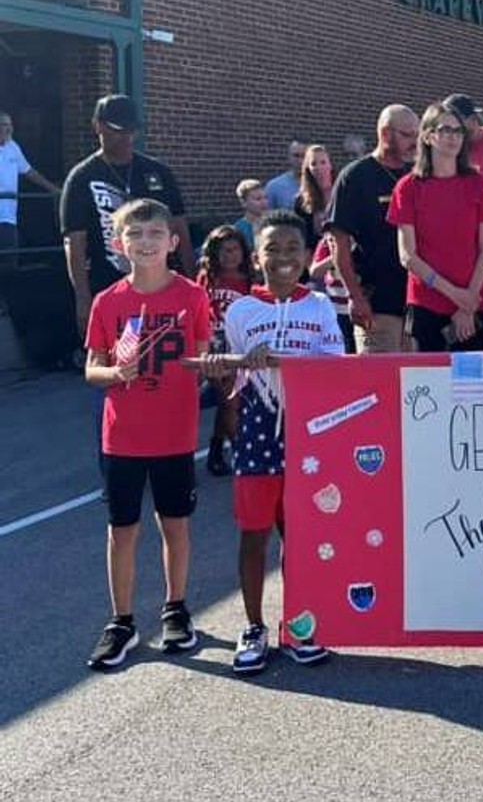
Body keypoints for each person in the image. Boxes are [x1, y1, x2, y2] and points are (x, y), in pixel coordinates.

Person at [83, 198, 212, 670]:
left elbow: (201, 363)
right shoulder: (108, 302)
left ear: (173, 242)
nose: (145, 242)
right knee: (122, 530)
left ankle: (176, 608)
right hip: (122, 438)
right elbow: (92, 370)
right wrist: (117, 373)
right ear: (119, 244)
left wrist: (213, 368)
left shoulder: (191, 297)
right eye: (135, 235)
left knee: (174, 525)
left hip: (174, 435)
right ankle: (122, 621)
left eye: (155, 233)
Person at [219, 211, 344, 675]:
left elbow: (335, 367)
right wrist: (231, 367)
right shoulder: (240, 311)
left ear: (308, 256)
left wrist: (280, 359)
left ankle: (301, 622)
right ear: (257, 257)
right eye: (273, 249)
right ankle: (253, 625)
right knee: (254, 534)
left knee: (302, 536)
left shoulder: (320, 308)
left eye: (293, 248)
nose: (284, 258)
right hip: (257, 435)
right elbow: (234, 379)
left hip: (307, 436)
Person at [62, 94, 195, 344]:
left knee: (168, 358)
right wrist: (82, 298)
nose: (125, 138)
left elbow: (180, 229)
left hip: (163, 284)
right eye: (116, 130)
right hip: (111, 287)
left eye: (130, 131)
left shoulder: (159, 172)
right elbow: (74, 243)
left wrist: (192, 281)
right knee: (123, 365)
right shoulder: (81, 178)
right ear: (97, 126)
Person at [389, 102, 483, 352]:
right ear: (428, 136)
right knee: (429, 387)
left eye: (458, 131)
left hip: (473, 307)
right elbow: (407, 256)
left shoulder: (479, 184)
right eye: (445, 130)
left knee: (470, 386)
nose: (453, 137)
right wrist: (454, 294)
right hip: (427, 305)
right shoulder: (408, 188)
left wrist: (468, 301)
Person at [325, 104, 419, 353]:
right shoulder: (355, 177)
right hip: (376, 304)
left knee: (421, 384)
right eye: (408, 135)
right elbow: (339, 243)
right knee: (381, 382)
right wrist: (354, 296)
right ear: (386, 134)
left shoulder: (418, 175)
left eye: (418, 136)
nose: (415, 143)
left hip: (418, 303)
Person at [196, 225, 253, 476]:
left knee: (227, 402)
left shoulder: (251, 279)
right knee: (230, 400)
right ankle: (242, 452)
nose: (230, 256)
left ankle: (216, 450)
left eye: (234, 249)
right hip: (215, 344)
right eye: (224, 251)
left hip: (242, 343)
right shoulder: (206, 279)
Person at [0, 109, 59, 270]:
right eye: (4, 125)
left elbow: (29, 172)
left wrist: (53, 189)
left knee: (10, 261)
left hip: (9, 217)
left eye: (10, 125)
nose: (8, 129)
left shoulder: (13, 147)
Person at [292, 143, 334, 248]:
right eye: (314, 164)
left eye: (323, 162)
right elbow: (302, 238)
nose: (319, 168)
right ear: (308, 169)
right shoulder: (301, 201)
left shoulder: (343, 192)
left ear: (330, 165)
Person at [264, 140, 306, 210]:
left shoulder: (320, 186)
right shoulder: (274, 187)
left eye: (304, 156)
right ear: (289, 157)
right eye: (296, 156)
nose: (300, 161)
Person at [233, 178, 268, 253]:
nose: (264, 202)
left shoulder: (271, 225)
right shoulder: (238, 229)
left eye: (265, 198)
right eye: (258, 199)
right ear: (244, 203)